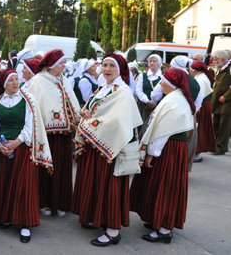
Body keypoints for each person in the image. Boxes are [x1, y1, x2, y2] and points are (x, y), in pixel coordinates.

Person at [72, 53, 142, 247]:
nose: (107, 69)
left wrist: (89, 122)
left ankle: (112, 230)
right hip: (95, 144)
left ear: (119, 70)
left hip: (110, 147)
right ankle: (98, 218)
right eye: (104, 65)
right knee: (96, 184)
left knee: (109, 186)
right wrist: (86, 113)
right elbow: (92, 110)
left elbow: (119, 121)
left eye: (111, 66)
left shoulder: (123, 92)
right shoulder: (102, 88)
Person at [0, 68, 53, 243]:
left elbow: (31, 125)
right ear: (4, 84)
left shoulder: (28, 100)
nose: (15, 82)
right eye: (11, 80)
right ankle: (6, 216)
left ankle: (25, 224)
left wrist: (16, 142)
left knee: (23, 186)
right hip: (4, 149)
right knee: (5, 183)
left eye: (16, 79)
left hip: (21, 149)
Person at [129, 68, 195, 244]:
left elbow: (163, 132)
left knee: (166, 187)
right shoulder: (176, 98)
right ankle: (157, 221)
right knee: (160, 185)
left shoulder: (174, 101)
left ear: (172, 84)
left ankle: (164, 229)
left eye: (163, 81)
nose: (160, 83)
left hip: (168, 149)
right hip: (171, 148)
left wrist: (151, 153)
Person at [27, 49, 81, 218]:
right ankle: (45, 202)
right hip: (47, 134)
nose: (64, 66)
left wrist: (78, 117)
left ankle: (62, 202)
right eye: (61, 63)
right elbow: (33, 105)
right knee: (46, 168)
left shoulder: (62, 79)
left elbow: (72, 101)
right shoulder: (37, 81)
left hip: (64, 134)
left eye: (64, 63)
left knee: (63, 168)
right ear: (52, 65)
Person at [190, 61, 216, 162]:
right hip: (204, 105)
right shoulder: (201, 76)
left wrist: (196, 108)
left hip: (202, 106)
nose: (190, 71)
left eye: (191, 69)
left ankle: (197, 152)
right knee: (201, 128)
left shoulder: (201, 79)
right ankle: (197, 151)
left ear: (195, 70)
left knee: (199, 129)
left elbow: (199, 95)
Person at [210, 50, 231, 155]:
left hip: (227, 103)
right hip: (217, 102)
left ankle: (221, 147)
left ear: (223, 59)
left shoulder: (229, 69)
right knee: (216, 123)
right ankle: (216, 145)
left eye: (216, 59)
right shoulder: (219, 69)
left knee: (224, 125)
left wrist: (225, 96)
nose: (214, 61)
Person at [136, 54, 162, 123]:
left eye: (154, 61)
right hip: (144, 106)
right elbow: (138, 90)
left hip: (158, 106)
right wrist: (146, 101)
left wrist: (154, 102)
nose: (152, 63)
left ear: (159, 63)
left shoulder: (162, 76)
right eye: (150, 61)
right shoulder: (142, 75)